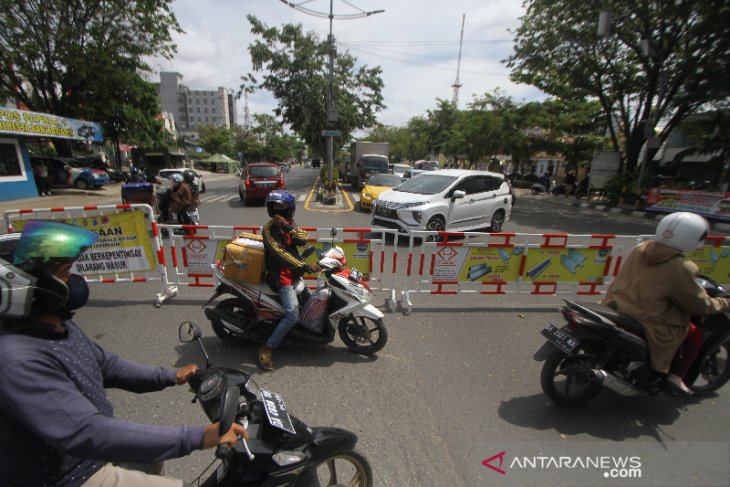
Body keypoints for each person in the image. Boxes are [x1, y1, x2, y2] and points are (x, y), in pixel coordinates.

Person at [0, 220, 247, 487]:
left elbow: (108, 366)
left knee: (151, 459)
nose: (75, 281)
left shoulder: (57, 325)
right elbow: (87, 431)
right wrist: (198, 437)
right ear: (22, 288)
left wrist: (170, 376)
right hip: (71, 474)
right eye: (65, 273)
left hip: (90, 452)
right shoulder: (17, 360)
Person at [602, 212, 730, 395]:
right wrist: (724, 304)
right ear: (693, 238)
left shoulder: (641, 249)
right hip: (649, 318)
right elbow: (697, 304)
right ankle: (675, 377)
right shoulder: (681, 267)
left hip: (618, 304)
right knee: (694, 335)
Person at [259, 190, 321, 371]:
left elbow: (303, 240)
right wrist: (305, 267)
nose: (277, 211)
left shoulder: (289, 224)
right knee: (292, 315)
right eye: (274, 207)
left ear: (289, 210)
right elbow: (280, 254)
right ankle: (267, 347)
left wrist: (288, 227)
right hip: (281, 277)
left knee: (309, 301)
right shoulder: (268, 230)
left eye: (281, 207)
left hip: (294, 273)